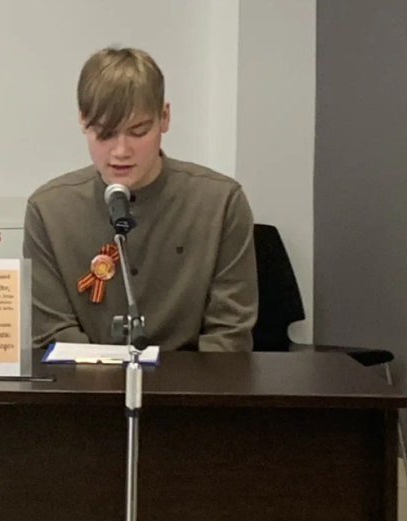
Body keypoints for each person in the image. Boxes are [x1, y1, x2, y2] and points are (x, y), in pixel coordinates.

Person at [24, 46, 258, 352]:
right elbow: (51, 333)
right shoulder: (48, 211)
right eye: (105, 134)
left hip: (192, 380)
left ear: (164, 117)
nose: (121, 151)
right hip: (86, 380)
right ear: (82, 121)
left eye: (138, 131)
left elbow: (229, 336)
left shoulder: (221, 204)